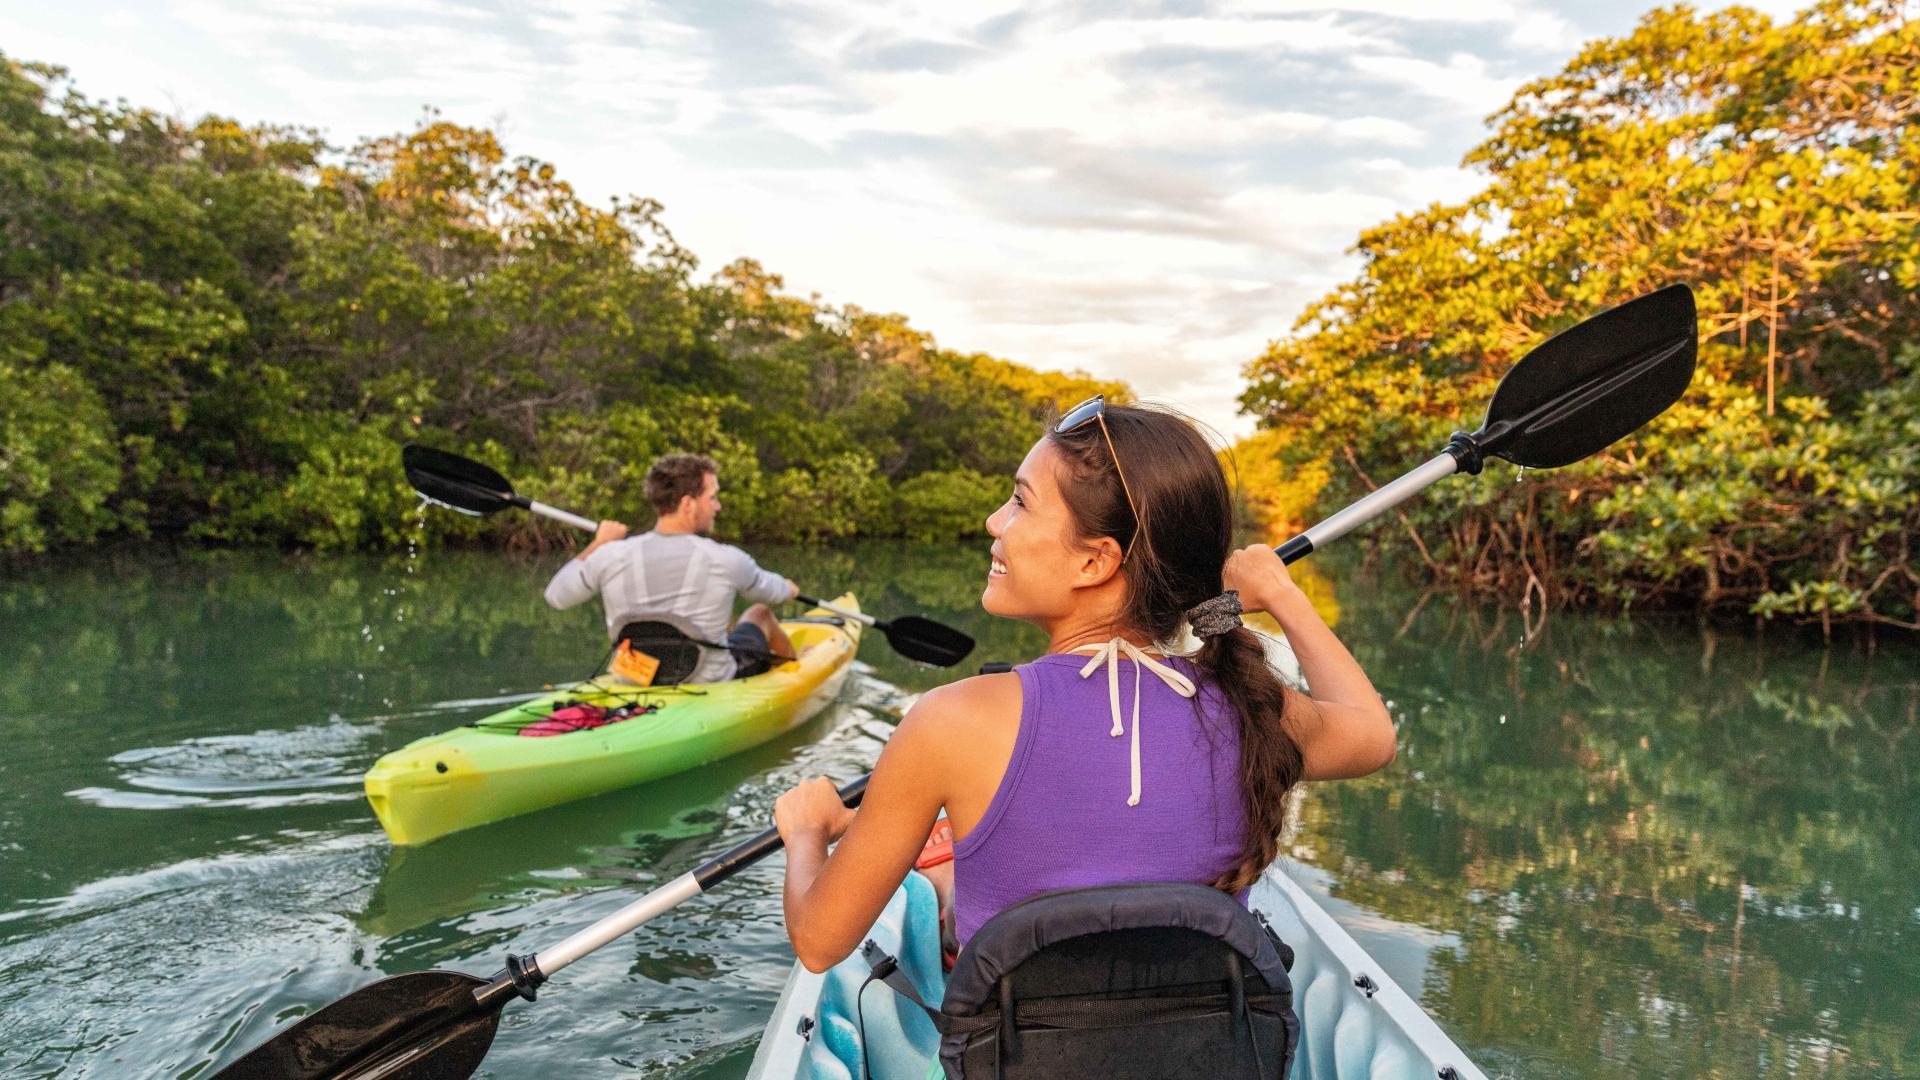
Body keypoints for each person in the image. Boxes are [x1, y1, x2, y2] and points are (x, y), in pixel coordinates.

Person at [772, 398, 1397, 973]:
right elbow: (1371, 736)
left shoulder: (950, 721)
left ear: (1094, 560)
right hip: (1207, 1055)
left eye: (1019, 502)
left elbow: (821, 943)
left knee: (942, 882)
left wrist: (807, 832)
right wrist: (1282, 596)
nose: (995, 522)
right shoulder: (1249, 706)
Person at [544, 453, 798, 684]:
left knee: (725, 619)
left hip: (633, 679)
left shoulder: (611, 554)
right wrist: (788, 589)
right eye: (712, 497)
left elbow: (556, 596)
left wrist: (599, 544)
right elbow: (773, 593)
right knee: (760, 614)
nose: (717, 506)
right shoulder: (726, 559)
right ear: (688, 504)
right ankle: (798, 671)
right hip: (707, 681)